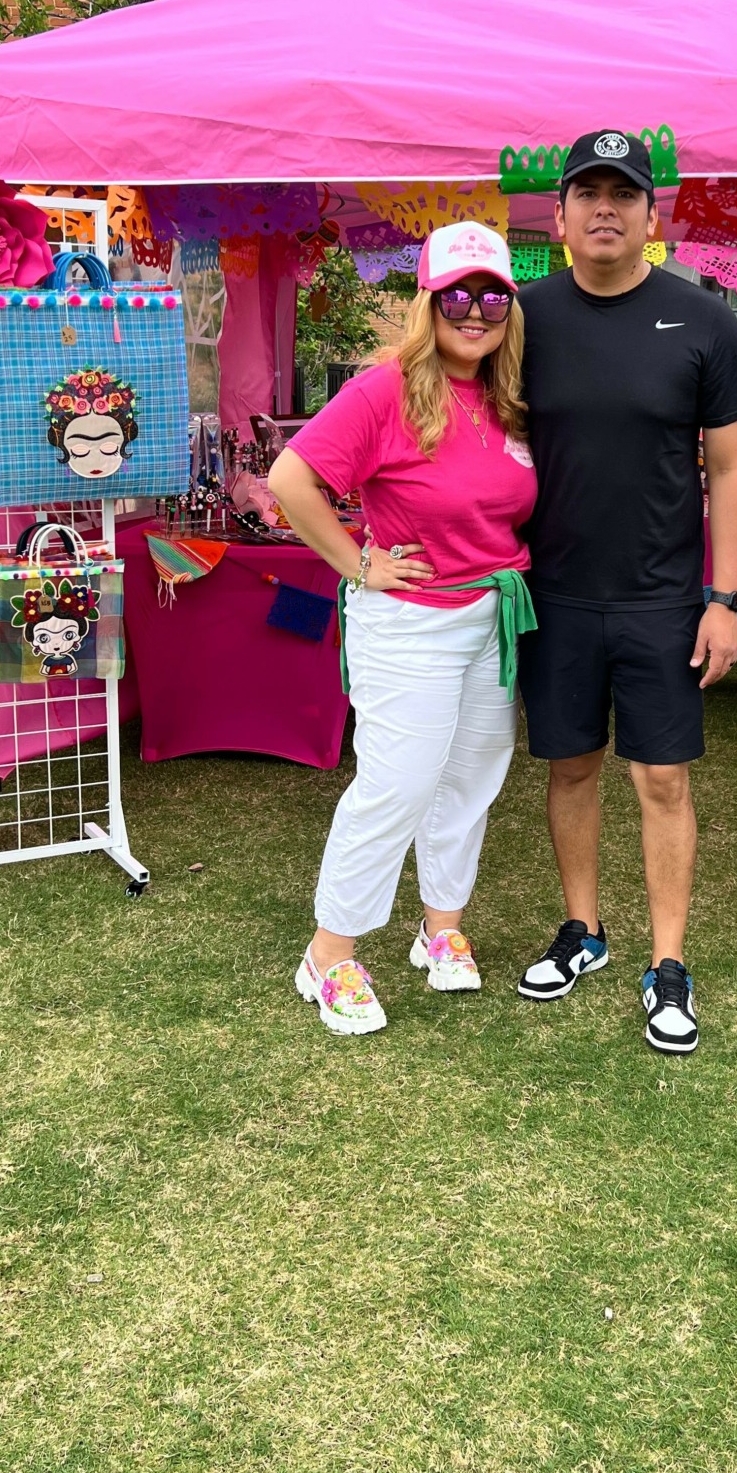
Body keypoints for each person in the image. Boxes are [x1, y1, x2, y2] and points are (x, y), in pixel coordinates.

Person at [515, 131, 737, 1056]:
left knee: (662, 778)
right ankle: (583, 931)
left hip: (664, 600)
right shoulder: (522, 318)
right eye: (588, 194)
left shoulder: (702, 320)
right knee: (571, 767)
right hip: (555, 596)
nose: (605, 209)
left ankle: (667, 965)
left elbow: (729, 470)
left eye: (624, 194)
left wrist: (724, 599)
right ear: (560, 216)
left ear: (653, 217)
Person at [268, 222, 536, 1037]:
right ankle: (328, 955)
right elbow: (290, 479)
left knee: (472, 778)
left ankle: (441, 928)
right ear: (428, 302)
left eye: (493, 296)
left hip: (492, 617)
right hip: (411, 623)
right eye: (457, 296)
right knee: (399, 785)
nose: (476, 312)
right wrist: (359, 563)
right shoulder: (384, 390)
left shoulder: (509, 397)